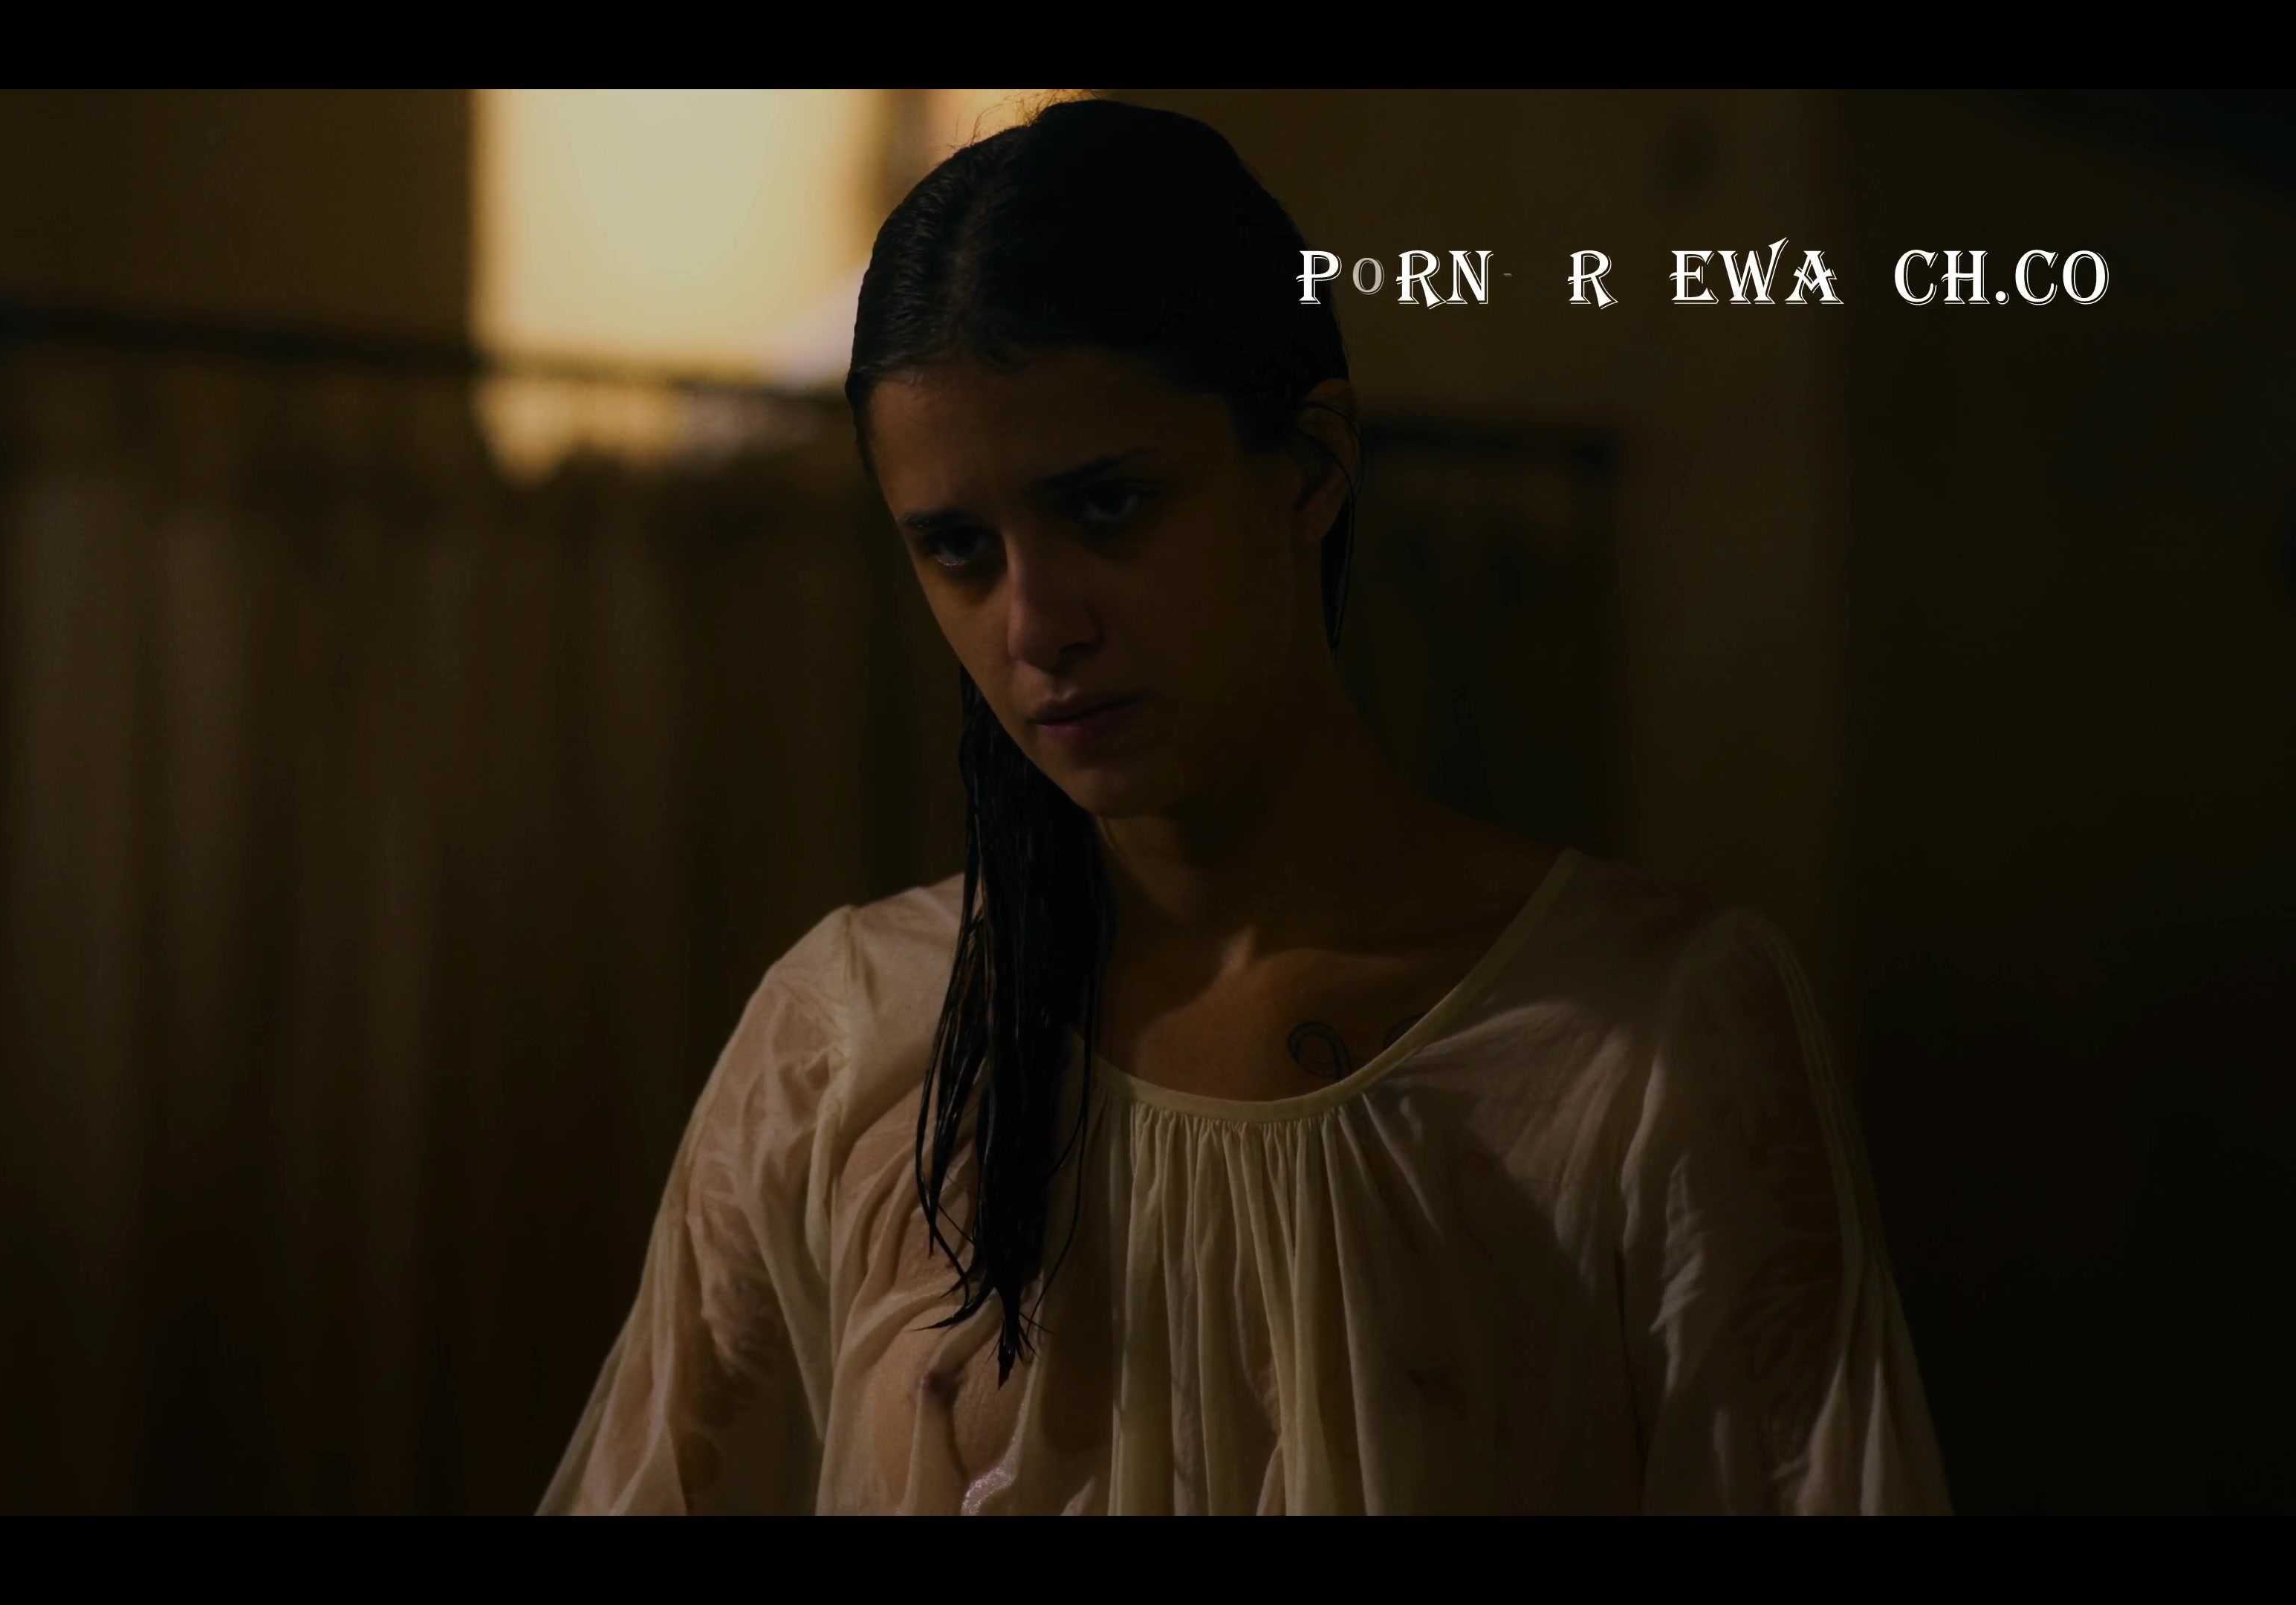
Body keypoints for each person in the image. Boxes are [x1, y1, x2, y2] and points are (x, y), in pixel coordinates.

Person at [538, 97, 1950, 1516]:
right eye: (960, 547)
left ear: (1311, 466)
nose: (1035, 624)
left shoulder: (1640, 1039)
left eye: (1107, 507)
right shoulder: (847, 1040)